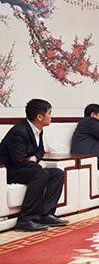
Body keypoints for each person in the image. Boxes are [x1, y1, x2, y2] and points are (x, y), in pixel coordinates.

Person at [0, 99, 68, 231]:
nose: (51, 116)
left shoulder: (38, 130)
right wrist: (38, 165)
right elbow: (19, 161)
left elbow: (40, 150)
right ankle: (26, 219)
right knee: (40, 173)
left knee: (57, 173)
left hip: (24, 167)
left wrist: (36, 158)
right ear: (39, 117)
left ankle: (46, 214)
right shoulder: (19, 132)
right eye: (49, 113)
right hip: (8, 170)